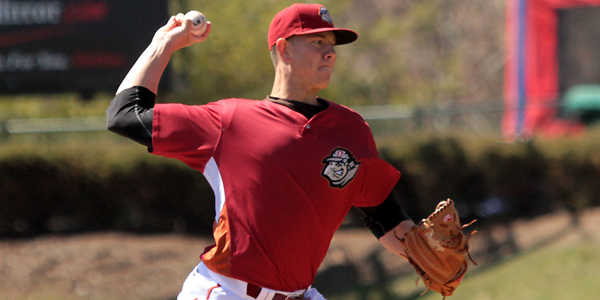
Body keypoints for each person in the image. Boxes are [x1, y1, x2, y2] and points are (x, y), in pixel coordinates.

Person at [106, 3, 415, 300]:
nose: (331, 52)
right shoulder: (229, 122)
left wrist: (425, 250)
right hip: (227, 293)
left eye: (332, 44)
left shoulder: (351, 129)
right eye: (318, 41)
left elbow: (382, 213)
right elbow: (124, 116)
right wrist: (163, 46)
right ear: (284, 49)